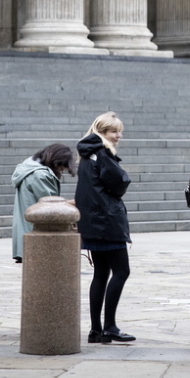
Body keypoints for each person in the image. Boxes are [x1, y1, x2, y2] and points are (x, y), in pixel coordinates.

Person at [76, 112, 134, 344]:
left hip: (92, 222)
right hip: (107, 221)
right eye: (113, 131)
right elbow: (119, 182)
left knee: (100, 273)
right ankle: (109, 326)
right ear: (101, 132)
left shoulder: (87, 153)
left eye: (120, 131)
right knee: (121, 271)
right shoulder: (102, 153)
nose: (118, 136)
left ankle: (96, 330)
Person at [11, 144, 76, 263]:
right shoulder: (40, 174)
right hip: (37, 235)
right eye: (62, 167)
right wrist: (72, 203)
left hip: (28, 233)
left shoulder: (30, 166)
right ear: (56, 162)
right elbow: (50, 204)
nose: (62, 171)